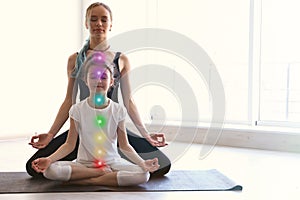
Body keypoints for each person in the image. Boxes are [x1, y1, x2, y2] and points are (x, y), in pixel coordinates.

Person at [26, 2, 171, 178]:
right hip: (82, 132)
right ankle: (98, 172)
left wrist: (145, 134)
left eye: (104, 19)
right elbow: (68, 101)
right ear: (86, 24)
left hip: (113, 133)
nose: (99, 24)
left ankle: (89, 174)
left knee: (162, 166)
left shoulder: (121, 59)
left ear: (111, 24)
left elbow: (129, 100)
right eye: (93, 19)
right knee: (33, 168)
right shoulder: (75, 59)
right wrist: (50, 134)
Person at [31, 53, 159, 186]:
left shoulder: (119, 110)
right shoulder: (77, 110)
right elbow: (69, 145)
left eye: (104, 77)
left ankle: (86, 180)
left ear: (111, 82)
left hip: (112, 162)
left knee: (144, 174)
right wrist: (49, 159)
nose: (98, 81)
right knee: (50, 170)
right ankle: (99, 174)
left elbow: (125, 145)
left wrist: (142, 163)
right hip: (84, 164)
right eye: (93, 77)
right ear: (85, 81)